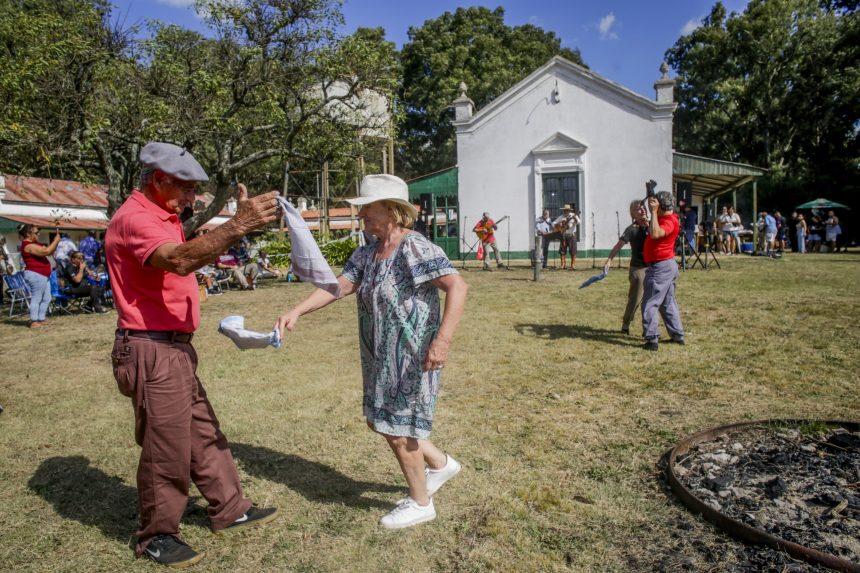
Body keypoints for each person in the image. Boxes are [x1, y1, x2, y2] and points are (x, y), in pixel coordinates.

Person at [106, 142, 279, 568]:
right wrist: (236, 225)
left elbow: (189, 252)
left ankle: (231, 507)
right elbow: (180, 261)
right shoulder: (136, 219)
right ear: (158, 179)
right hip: (152, 346)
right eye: (186, 190)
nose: (192, 199)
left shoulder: (162, 215)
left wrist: (229, 228)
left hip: (172, 346)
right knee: (167, 445)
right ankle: (156, 536)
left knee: (202, 432)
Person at [276, 174, 468, 530]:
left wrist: (442, 341)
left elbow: (457, 287)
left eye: (367, 206)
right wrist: (297, 310)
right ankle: (441, 464)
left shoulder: (416, 248)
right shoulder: (366, 252)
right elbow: (338, 287)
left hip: (411, 355)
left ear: (392, 210)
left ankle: (420, 502)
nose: (361, 213)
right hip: (378, 356)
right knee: (378, 421)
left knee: (397, 429)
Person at [641, 191, 684, 351]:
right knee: (667, 302)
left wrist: (653, 212)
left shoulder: (669, 221)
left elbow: (655, 233)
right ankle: (677, 335)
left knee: (650, 301)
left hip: (660, 267)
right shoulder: (667, 219)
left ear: (659, 206)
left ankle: (652, 339)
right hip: (666, 265)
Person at [603, 200, 648, 335]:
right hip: (638, 269)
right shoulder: (631, 229)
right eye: (638, 209)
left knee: (650, 300)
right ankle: (626, 324)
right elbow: (618, 246)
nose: (643, 210)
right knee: (635, 299)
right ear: (633, 214)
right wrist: (609, 260)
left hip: (653, 267)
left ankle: (648, 329)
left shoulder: (652, 225)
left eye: (643, 208)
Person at [18, 224, 60, 328]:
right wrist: (56, 240)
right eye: (36, 233)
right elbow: (46, 251)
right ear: (28, 234)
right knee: (37, 297)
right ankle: (34, 321)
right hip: (35, 274)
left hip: (42, 274)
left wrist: (55, 243)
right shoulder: (27, 245)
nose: (39, 234)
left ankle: (41, 318)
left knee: (47, 298)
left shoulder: (35, 243)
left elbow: (49, 251)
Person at [552, 204, 580, 269]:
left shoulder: (573, 216)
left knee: (573, 251)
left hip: (572, 235)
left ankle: (573, 265)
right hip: (563, 235)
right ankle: (563, 265)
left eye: (567, 210)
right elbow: (553, 223)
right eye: (564, 210)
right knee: (562, 251)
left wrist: (576, 219)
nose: (565, 211)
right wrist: (559, 223)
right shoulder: (561, 217)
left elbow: (579, 222)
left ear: (569, 210)